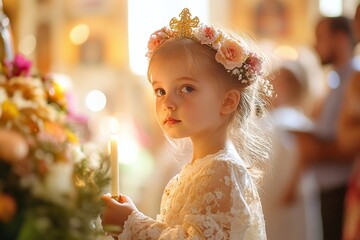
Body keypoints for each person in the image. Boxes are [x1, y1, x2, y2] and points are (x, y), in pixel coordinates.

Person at [100, 8, 273, 239]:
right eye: (160, 90)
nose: (168, 103)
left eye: (186, 88)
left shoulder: (222, 170)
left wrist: (132, 222)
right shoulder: (197, 170)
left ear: (228, 101)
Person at [284, 16, 357, 240]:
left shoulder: (355, 78)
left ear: (340, 38)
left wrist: (310, 145)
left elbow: (349, 142)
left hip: (340, 185)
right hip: (325, 185)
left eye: (320, 38)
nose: (315, 45)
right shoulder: (336, 78)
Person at [260, 60, 322, 240]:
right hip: (272, 186)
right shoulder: (271, 116)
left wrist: (292, 187)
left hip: (288, 190)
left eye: (279, 81)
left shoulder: (294, 117)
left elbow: (307, 152)